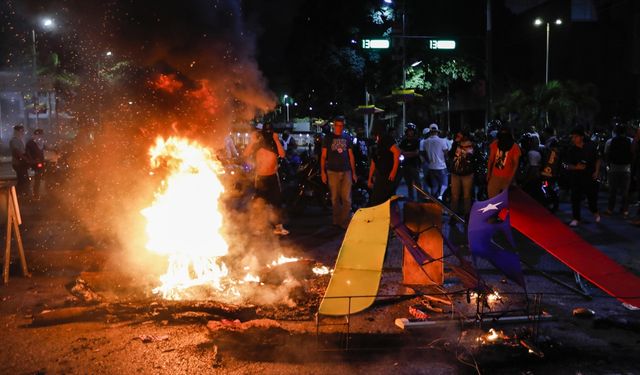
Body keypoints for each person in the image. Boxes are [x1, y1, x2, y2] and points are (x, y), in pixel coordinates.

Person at [243, 122, 289, 235]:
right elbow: (245, 154)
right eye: (266, 131)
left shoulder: (275, 142)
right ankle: (258, 227)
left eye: (270, 131)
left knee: (276, 202)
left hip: (273, 177)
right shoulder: (258, 142)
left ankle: (278, 227)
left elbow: (283, 155)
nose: (268, 133)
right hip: (260, 178)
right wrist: (252, 141)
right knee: (259, 203)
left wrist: (277, 140)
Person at [320, 116, 357, 229]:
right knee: (335, 198)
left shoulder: (347, 138)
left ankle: (344, 221)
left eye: (342, 126)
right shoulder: (328, 138)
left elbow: (351, 156)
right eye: (338, 125)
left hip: (346, 171)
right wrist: (323, 172)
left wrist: (354, 172)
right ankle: (336, 221)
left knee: (346, 198)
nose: (340, 128)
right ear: (334, 125)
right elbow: (323, 156)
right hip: (332, 171)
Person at [564, 126, 601, 227]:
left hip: (589, 176)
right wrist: (576, 167)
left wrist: (597, 171)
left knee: (591, 197)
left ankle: (595, 211)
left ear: (581, 137)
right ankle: (576, 218)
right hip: (576, 177)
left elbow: (598, 159)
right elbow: (567, 165)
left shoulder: (590, 146)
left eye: (575, 137)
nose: (573, 139)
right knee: (575, 198)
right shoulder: (571, 150)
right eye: (572, 137)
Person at [368, 123, 401, 206]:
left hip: (388, 173)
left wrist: (393, 172)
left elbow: (397, 152)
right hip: (381, 173)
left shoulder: (386, 139)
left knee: (384, 198)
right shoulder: (376, 143)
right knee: (378, 198)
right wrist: (370, 178)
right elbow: (373, 162)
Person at [603, 124, 633, 217]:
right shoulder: (630, 141)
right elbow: (633, 154)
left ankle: (610, 209)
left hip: (613, 168)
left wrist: (608, 166)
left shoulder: (610, 141)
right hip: (626, 169)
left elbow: (606, 155)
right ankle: (625, 210)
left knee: (612, 191)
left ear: (615, 132)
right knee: (625, 192)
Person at [486, 125, 521, 198]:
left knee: (504, 203)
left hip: (506, 179)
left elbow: (515, 165)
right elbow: (491, 160)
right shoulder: (495, 144)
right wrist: (488, 174)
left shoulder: (514, 147)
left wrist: (510, 180)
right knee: (494, 202)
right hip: (495, 178)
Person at [448, 129, 477, 218]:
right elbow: (450, 155)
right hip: (455, 173)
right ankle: (453, 215)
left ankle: (467, 215)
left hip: (467, 174)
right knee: (454, 196)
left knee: (467, 196)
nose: (458, 137)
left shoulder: (473, 145)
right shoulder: (456, 144)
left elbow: (476, 158)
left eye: (460, 136)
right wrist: (455, 143)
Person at [422, 123, 450, 199]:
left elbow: (424, 154)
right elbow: (446, 153)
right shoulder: (442, 141)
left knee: (434, 186)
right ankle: (441, 200)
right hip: (441, 166)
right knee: (444, 185)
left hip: (431, 167)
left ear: (430, 132)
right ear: (437, 132)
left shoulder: (425, 142)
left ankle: (434, 203)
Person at [398, 123, 422, 201]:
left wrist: (406, 153)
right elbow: (400, 152)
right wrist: (410, 153)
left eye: (412, 131)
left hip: (414, 165)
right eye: (409, 131)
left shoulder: (417, 141)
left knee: (417, 183)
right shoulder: (403, 142)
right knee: (409, 183)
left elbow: (416, 152)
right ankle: (411, 199)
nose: (410, 132)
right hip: (405, 165)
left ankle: (419, 199)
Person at [10, 125, 30, 198]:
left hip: (21, 163)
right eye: (21, 131)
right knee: (22, 180)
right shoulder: (14, 140)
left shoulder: (20, 140)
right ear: (17, 131)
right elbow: (17, 151)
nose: (23, 133)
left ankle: (21, 194)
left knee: (23, 179)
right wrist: (25, 158)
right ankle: (18, 195)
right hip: (18, 163)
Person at [25, 128, 46, 200]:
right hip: (33, 164)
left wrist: (54, 149)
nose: (41, 136)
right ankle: (34, 194)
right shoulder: (30, 143)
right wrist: (32, 161)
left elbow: (45, 148)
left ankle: (36, 194)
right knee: (36, 179)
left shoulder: (40, 142)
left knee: (38, 179)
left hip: (39, 163)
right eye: (40, 135)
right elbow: (27, 153)